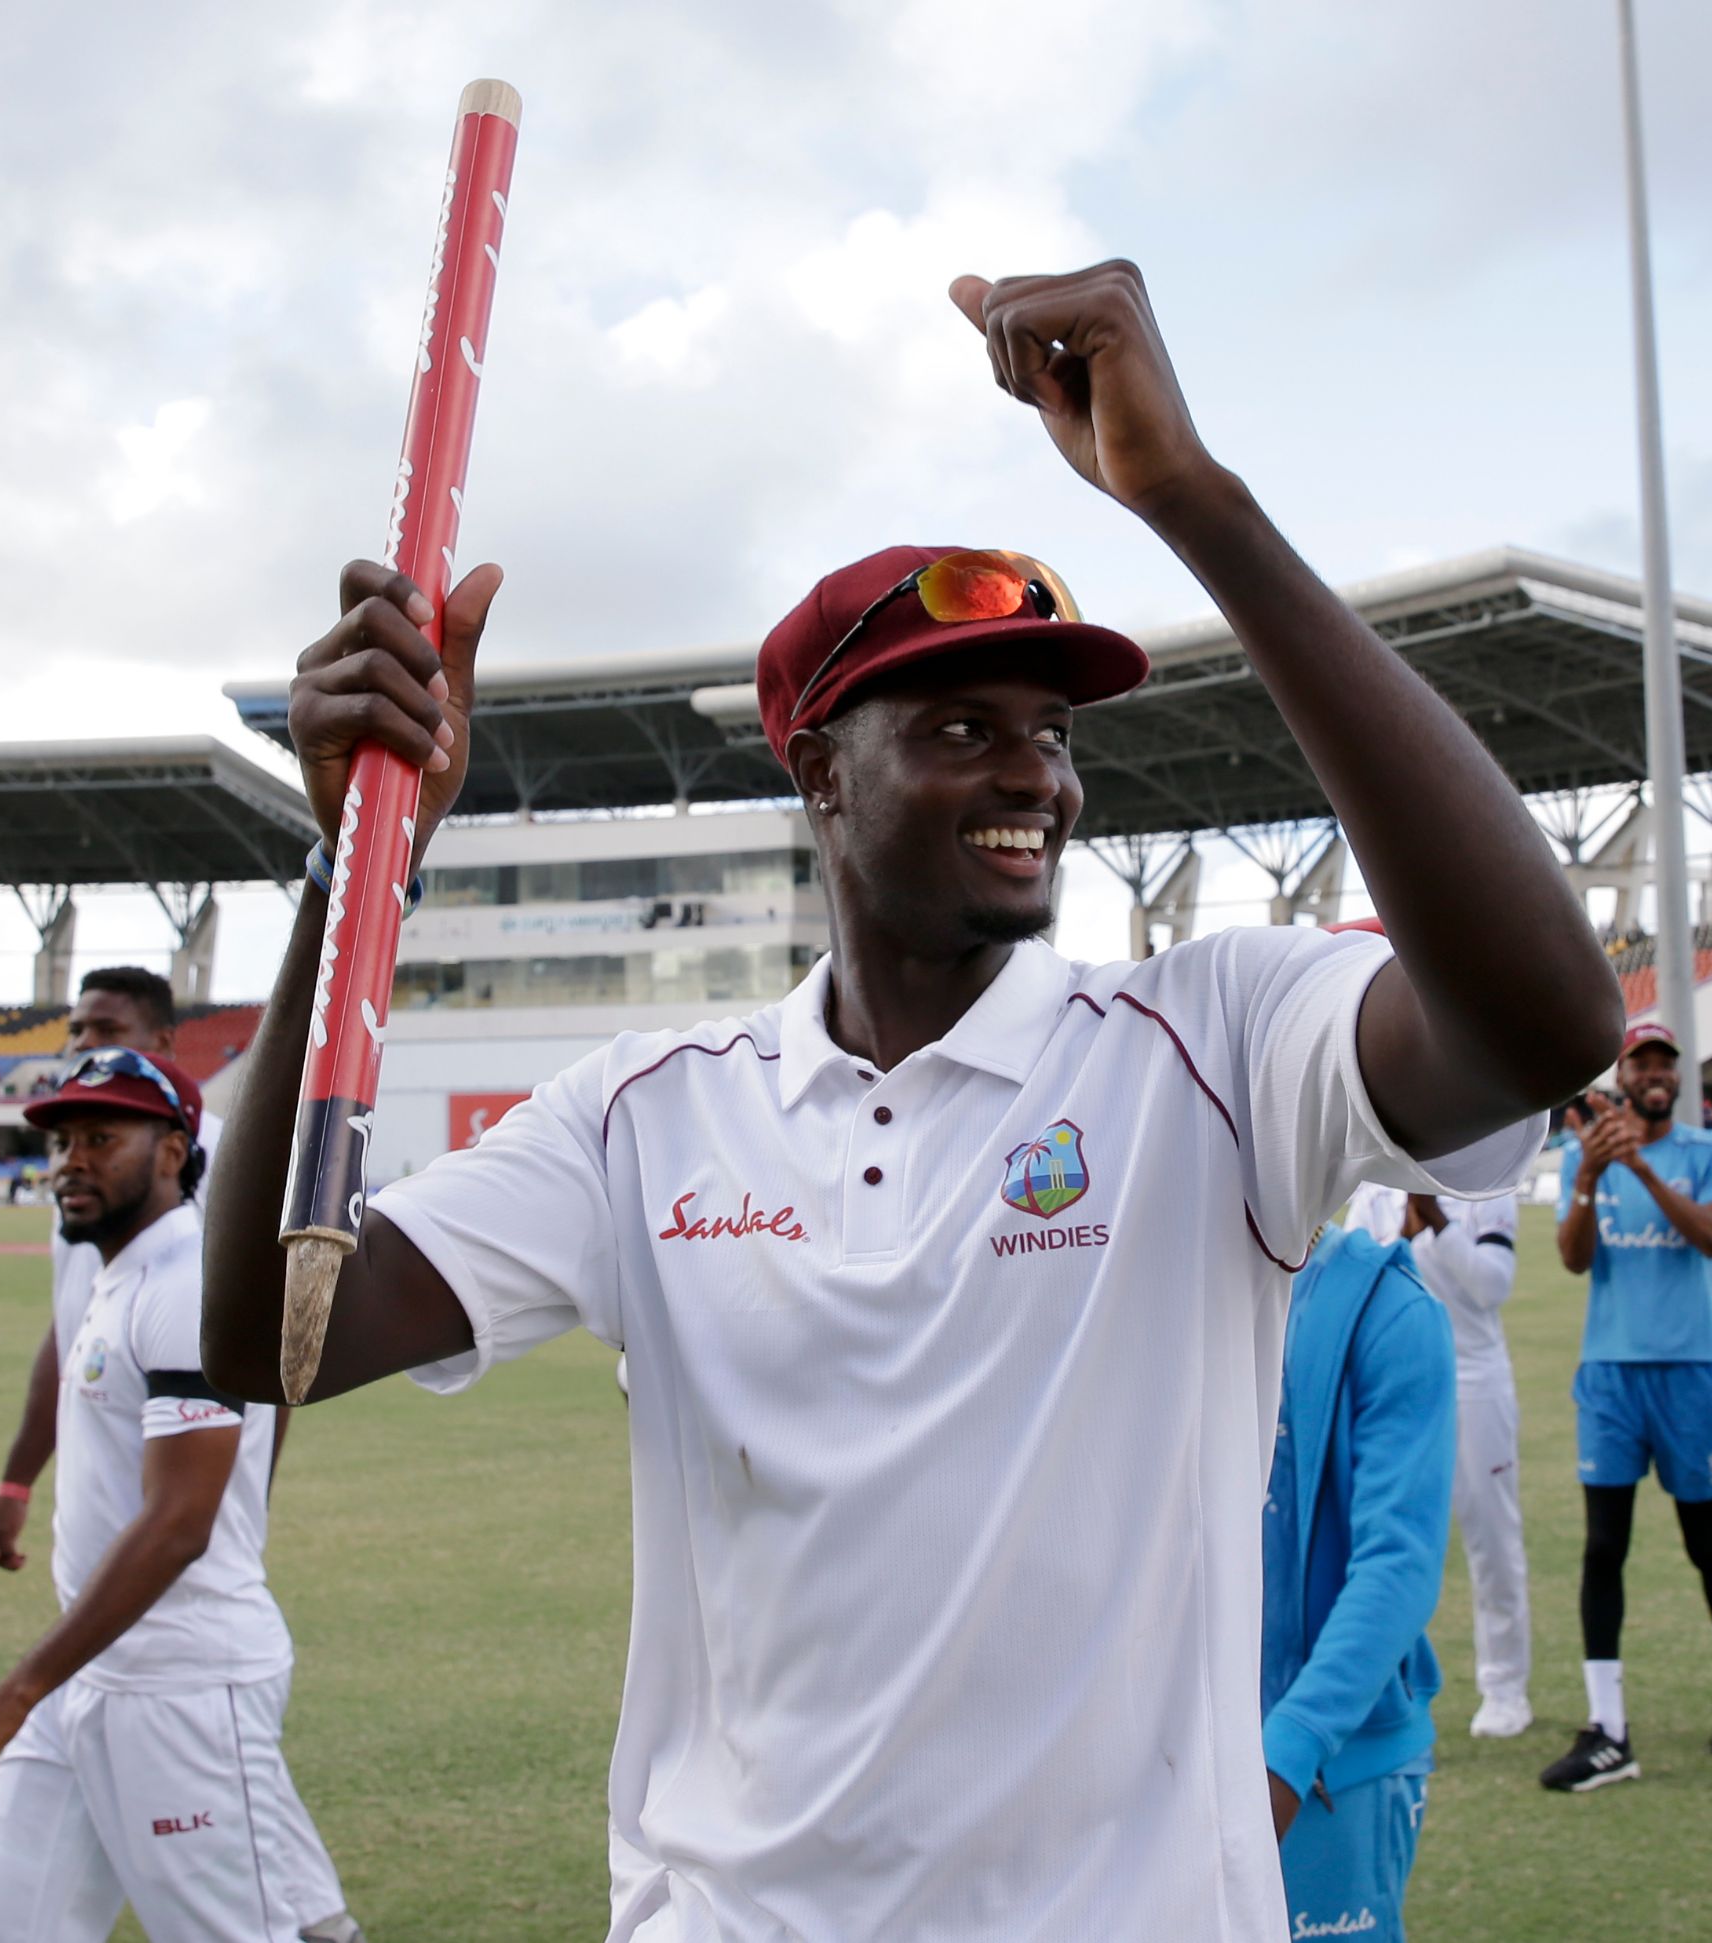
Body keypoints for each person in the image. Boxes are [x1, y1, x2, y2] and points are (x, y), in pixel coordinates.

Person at [200, 259, 1616, 1939]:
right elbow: (266, 1336)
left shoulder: (1211, 1043)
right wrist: (350, 862)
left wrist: (1198, 506)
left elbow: (1544, 1020)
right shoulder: (646, 1110)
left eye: (1051, 733)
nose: (1034, 771)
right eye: (958, 723)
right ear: (818, 770)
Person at [0, 1049, 358, 1943]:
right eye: (66, 1140)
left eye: (103, 1138)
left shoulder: (182, 1284)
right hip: (94, 1671)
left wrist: (14, 1693)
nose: (73, 1160)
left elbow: (178, 1525)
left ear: (171, 1150)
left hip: (180, 1685)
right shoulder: (121, 1274)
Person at [1545, 1020, 1712, 1792]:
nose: (1656, 1075)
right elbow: (1572, 1258)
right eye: (1643, 1063)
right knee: (1603, 1548)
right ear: (1624, 1075)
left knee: (1706, 1542)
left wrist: (1636, 1167)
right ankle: (1607, 1728)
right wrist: (1591, 1176)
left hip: (1691, 1369)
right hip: (1608, 1372)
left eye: (1666, 1064)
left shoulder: (1711, 1151)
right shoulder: (1586, 1155)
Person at [0, 966, 230, 1581]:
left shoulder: (222, 1156)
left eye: (108, 1028)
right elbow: (72, 1327)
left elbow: (256, 1352)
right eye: (77, 1029)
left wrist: (241, 1502)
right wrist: (17, 1483)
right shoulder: (86, 1172)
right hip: (96, 1506)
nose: (86, 1042)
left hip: (186, 1512)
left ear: (165, 1042)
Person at [1264, 1222, 1455, 1940]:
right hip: (1171, 1755)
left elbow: (1397, 1565)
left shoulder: (1389, 1308)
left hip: (1324, 1771)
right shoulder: (1155, 1297)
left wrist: (1288, 1751)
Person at [1403, 1187, 1534, 1737]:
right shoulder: (1377, 1187)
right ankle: (1394, 1691)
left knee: (1492, 1541)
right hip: (1402, 1378)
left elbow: (1491, 1284)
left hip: (1476, 1380)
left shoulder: (1490, 1186)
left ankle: (1505, 1689)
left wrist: (1435, 1218)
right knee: (1394, 1542)